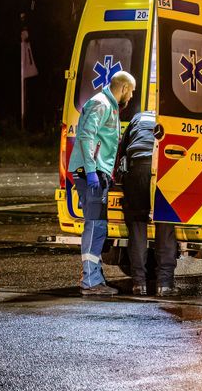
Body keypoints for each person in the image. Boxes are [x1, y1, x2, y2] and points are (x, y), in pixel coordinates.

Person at [68, 71, 136, 296]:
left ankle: (92, 275)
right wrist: (91, 172)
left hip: (97, 171)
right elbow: (86, 137)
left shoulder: (110, 105)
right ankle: (90, 281)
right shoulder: (101, 103)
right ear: (124, 88)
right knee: (95, 225)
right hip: (91, 172)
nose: (132, 95)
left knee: (98, 225)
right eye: (132, 90)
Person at [117, 110, 180, 297]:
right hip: (162, 167)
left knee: (137, 226)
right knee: (165, 224)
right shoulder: (172, 117)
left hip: (137, 168)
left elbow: (122, 149)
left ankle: (139, 284)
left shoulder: (138, 116)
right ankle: (165, 284)